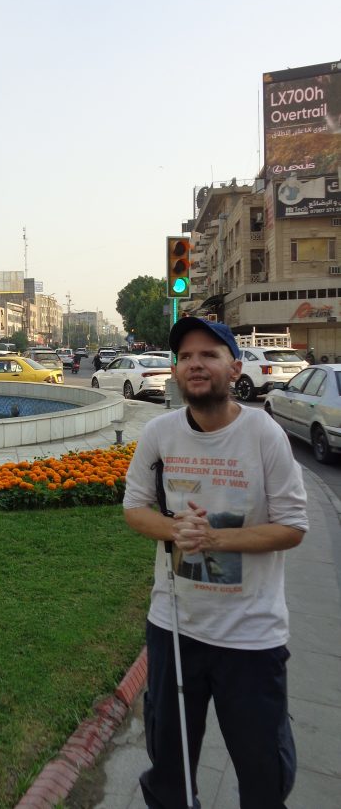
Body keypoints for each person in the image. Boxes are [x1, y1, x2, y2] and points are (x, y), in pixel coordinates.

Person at [123, 317, 308, 809]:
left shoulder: (263, 434)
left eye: (209, 354)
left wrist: (216, 538)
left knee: (263, 773)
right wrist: (173, 530)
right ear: (175, 371)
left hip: (250, 636)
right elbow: (135, 508)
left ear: (235, 368)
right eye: (185, 357)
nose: (195, 364)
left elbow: (293, 526)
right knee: (170, 769)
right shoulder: (160, 434)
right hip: (174, 627)